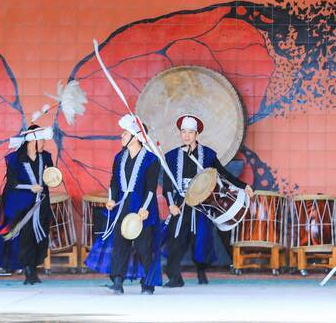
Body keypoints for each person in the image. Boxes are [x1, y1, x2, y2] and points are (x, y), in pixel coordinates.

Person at [162, 114, 254, 287]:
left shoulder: (208, 154)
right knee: (175, 239)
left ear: (197, 134)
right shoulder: (172, 156)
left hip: (203, 205)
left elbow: (223, 173)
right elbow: (167, 184)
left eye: (190, 132)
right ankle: (175, 277)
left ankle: (201, 271)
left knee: (201, 240)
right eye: (183, 132)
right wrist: (171, 204)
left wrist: (243, 186)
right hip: (181, 203)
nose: (187, 135)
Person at [85, 114, 162, 295]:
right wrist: (111, 199)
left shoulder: (151, 160)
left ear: (136, 137)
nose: (122, 136)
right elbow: (114, 182)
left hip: (143, 208)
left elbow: (151, 189)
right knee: (120, 243)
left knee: (143, 246)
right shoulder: (119, 157)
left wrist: (145, 208)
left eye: (125, 134)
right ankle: (118, 281)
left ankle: (147, 283)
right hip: (122, 206)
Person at [0, 125, 53, 284]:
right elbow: (12, 183)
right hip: (22, 204)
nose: (45, 143)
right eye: (42, 140)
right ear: (32, 141)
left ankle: (33, 269)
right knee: (25, 237)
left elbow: (52, 175)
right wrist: (30, 188)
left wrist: (53, 178)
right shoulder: (15, 159)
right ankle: (29, 271)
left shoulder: (45, 157)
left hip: (41, 203)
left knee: (38, 237)